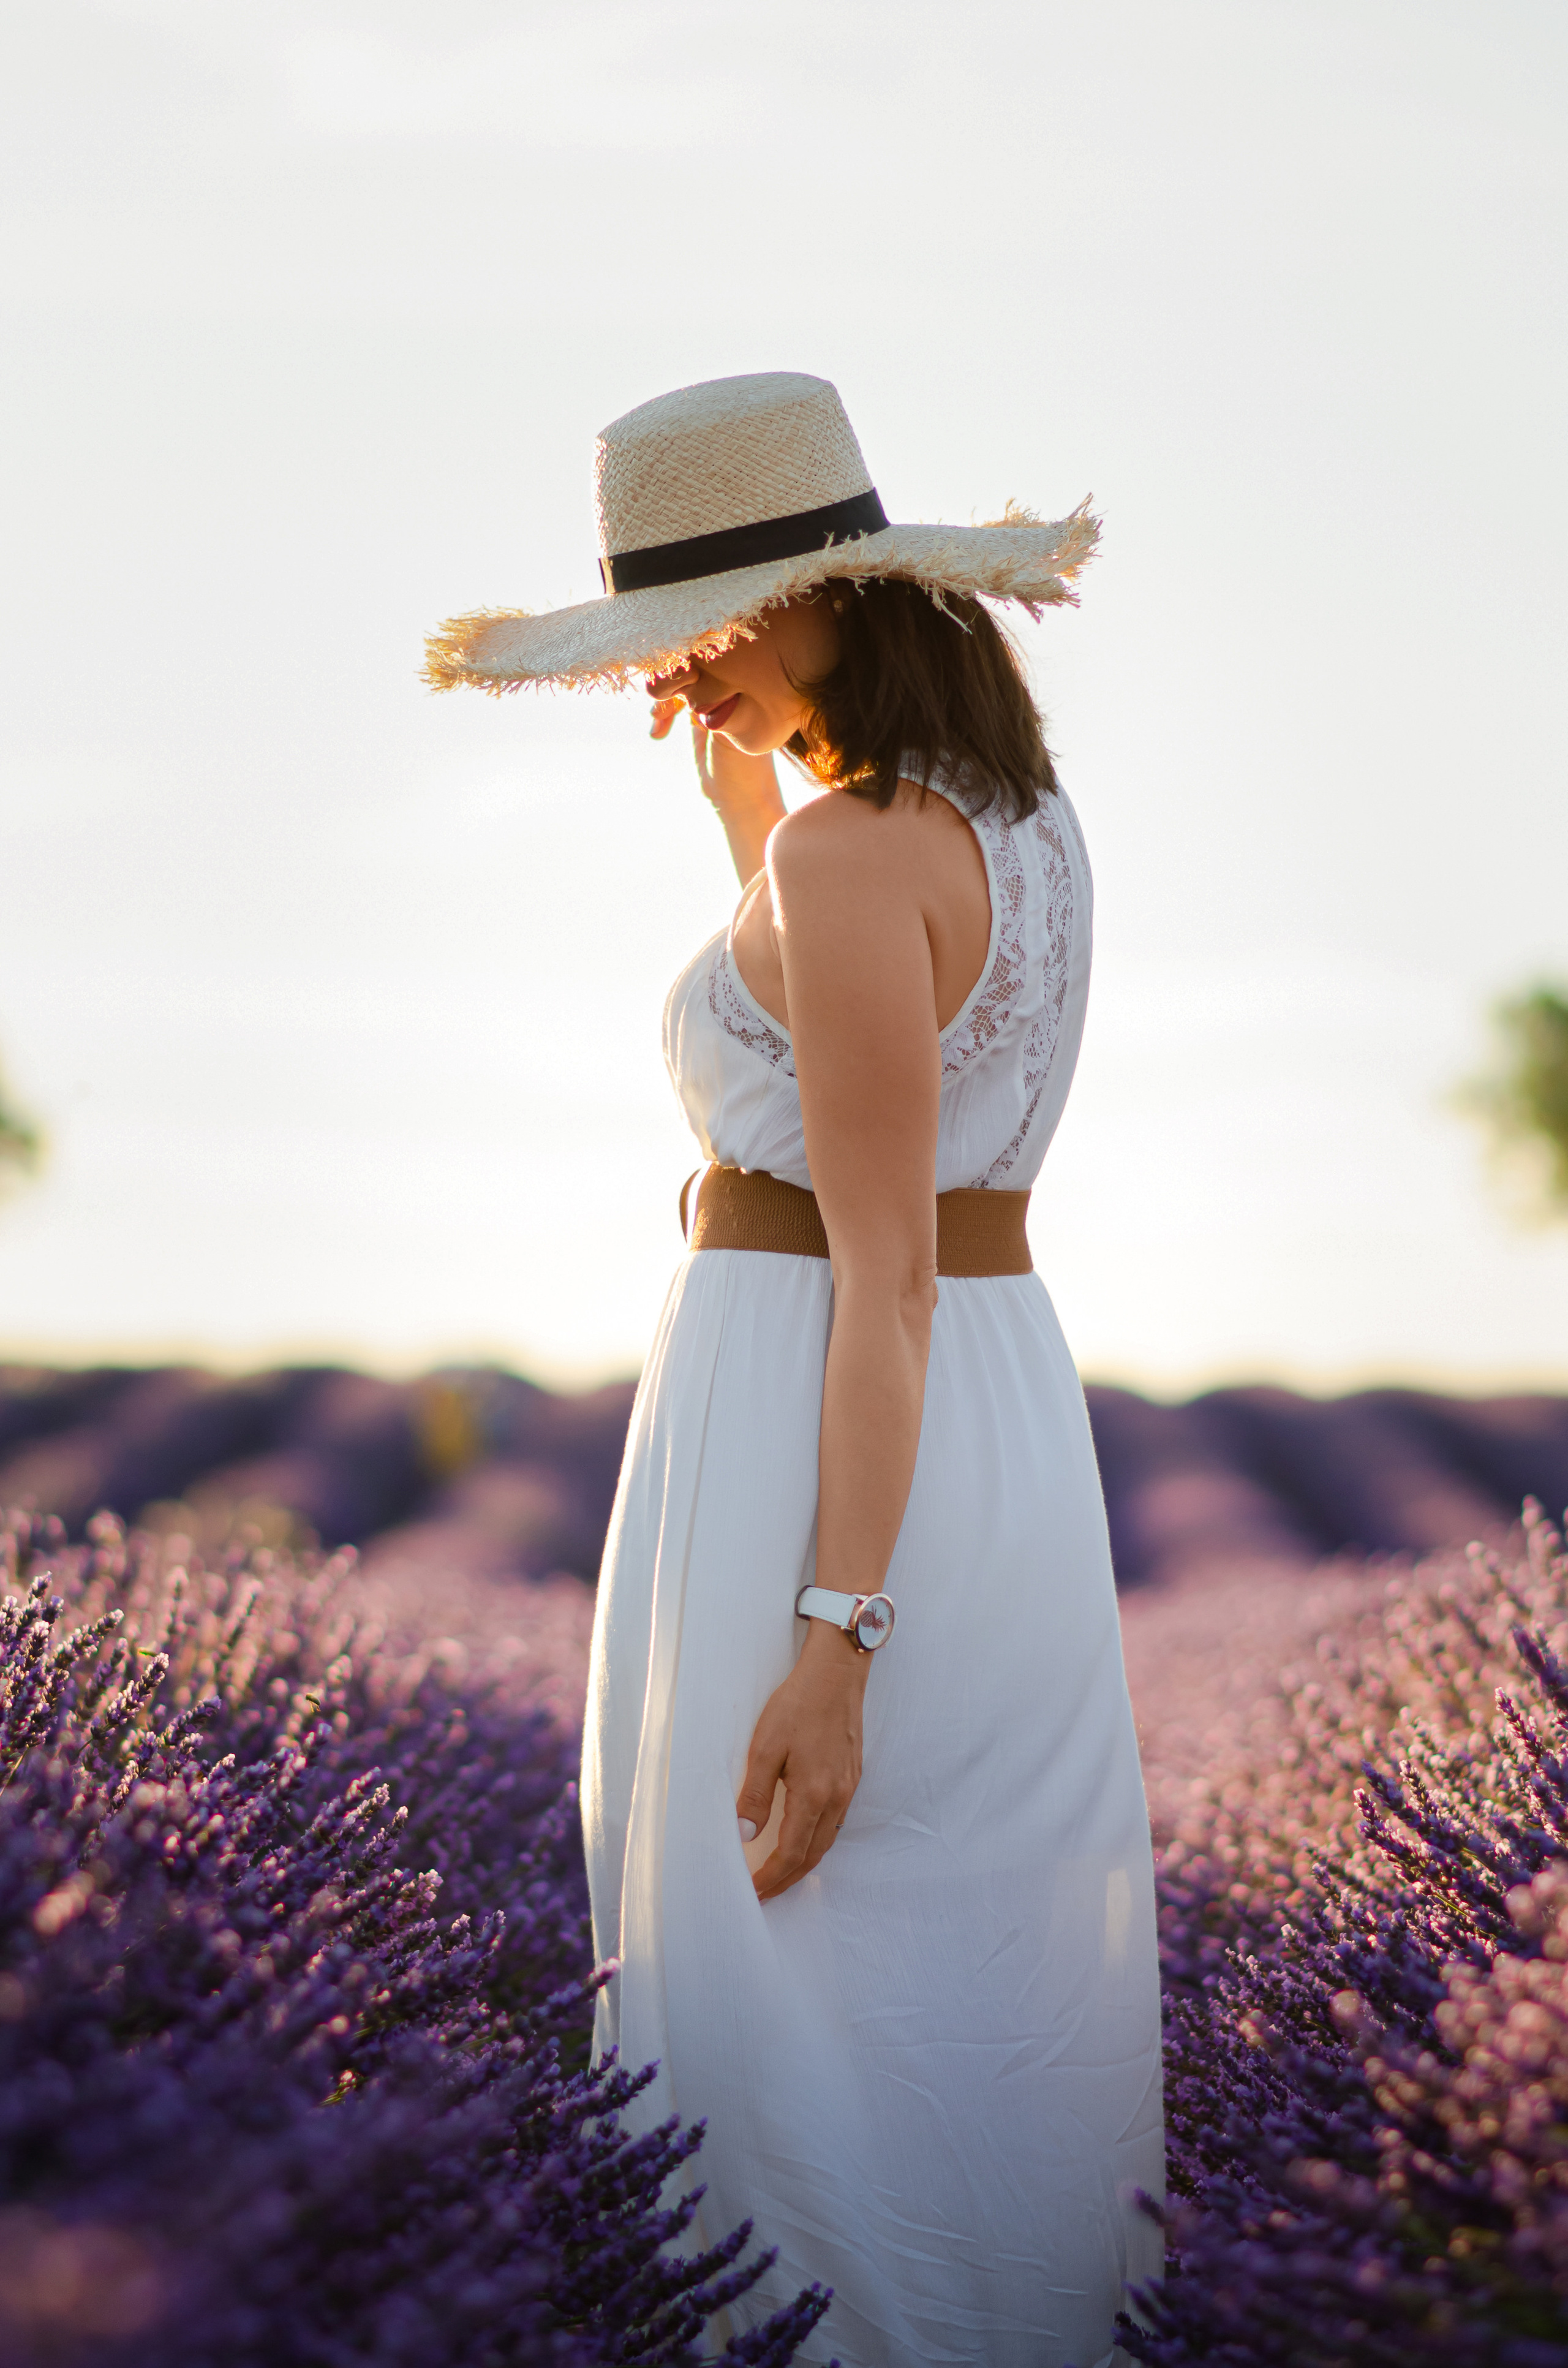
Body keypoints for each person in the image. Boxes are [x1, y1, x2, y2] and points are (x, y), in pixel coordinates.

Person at [427, 371, 1164, 2368]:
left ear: (809, 594)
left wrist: (836, 1638)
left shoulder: (851, 855)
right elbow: (880, 1102)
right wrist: (749, 808)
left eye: (694, 643)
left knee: (785, 1951)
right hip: (985, 1418)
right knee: (954, 1961)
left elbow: (877, 1270)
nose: (674, 686)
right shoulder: (1008, 819)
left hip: (832, 1433)